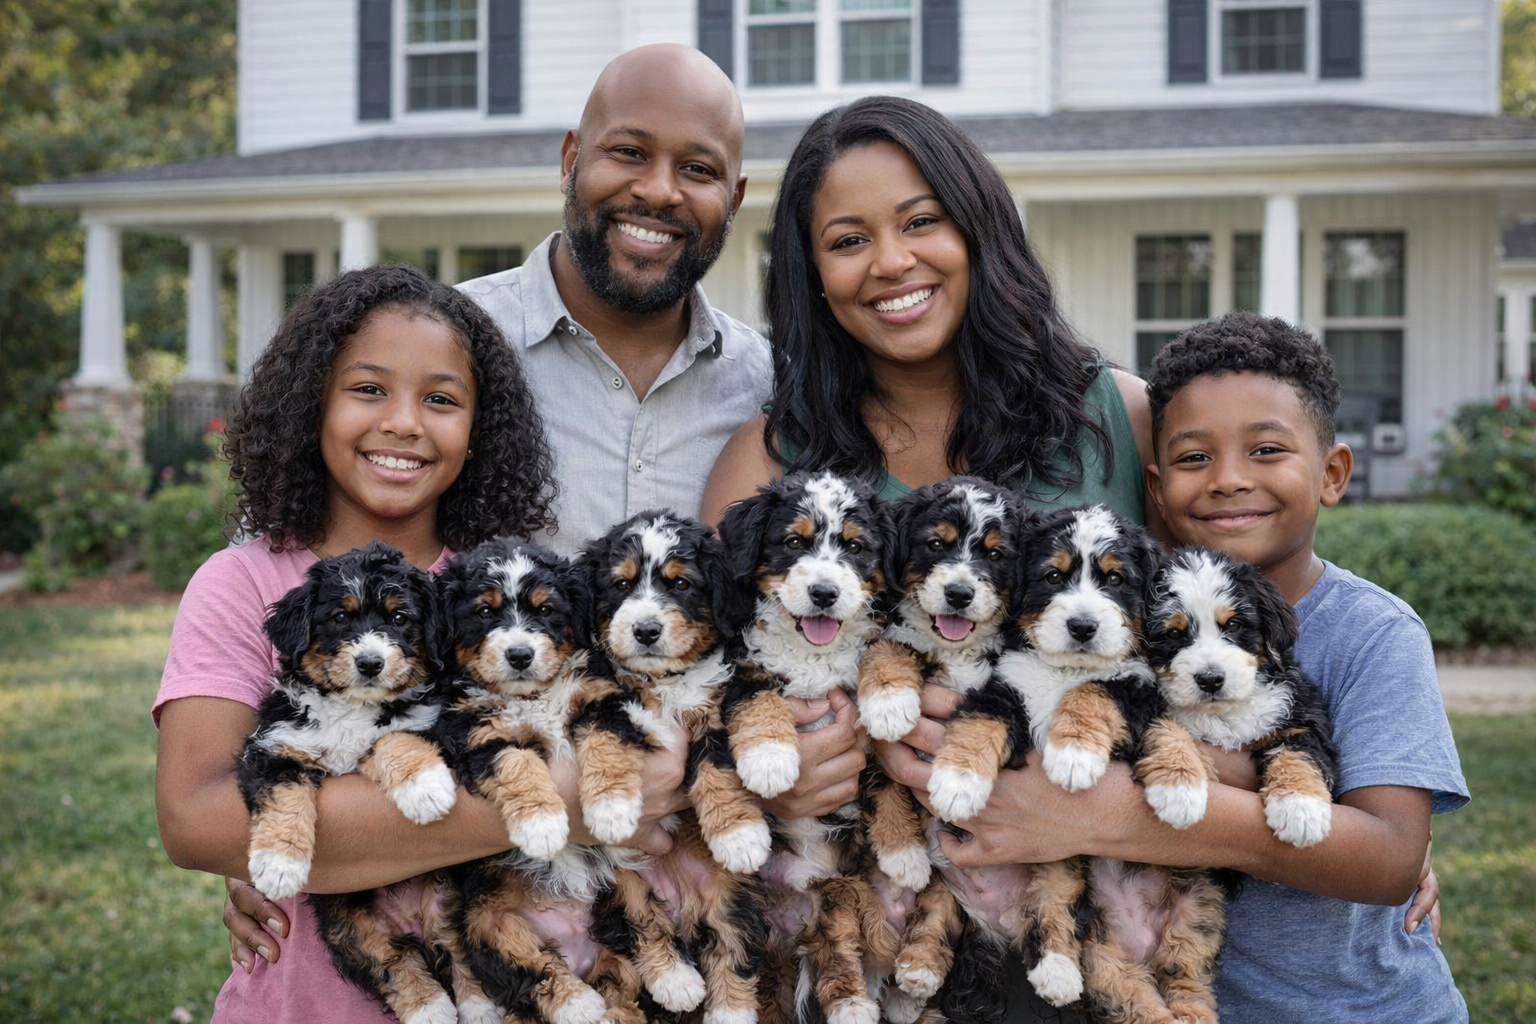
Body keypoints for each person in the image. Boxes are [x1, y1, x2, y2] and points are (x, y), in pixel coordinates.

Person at [699, 94, 1162, 1023]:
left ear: (978, 227)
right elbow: (706, 684)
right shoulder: (772, 457)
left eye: (921, 221)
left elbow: (1239, 651)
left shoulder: (1116, 416)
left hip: (1074, 935)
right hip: (862, 931)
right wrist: (803, 759)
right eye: (847, 238)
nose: (892, 262)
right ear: (812, 274)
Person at [879, 311, 1468, 1022]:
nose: (1227, 480)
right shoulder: (1129, 624)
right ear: (1154, 488)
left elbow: (1387, 860)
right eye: (1194, 458)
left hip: (1363, 1008)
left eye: (1267, 450)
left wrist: (1116, 818)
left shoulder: (1375, 632)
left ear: (1333, 473)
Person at [154, 265, 690, 1023]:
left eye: (441, 399)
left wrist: (331, 843)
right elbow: (197, 820)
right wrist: (549, 805)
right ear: (311, 403)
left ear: (480, 431)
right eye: (368, 389)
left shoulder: (505, 592)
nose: (404, 422)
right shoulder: (243, 582)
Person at [460, 42, 773, 554]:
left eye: (698, 169)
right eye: (629, 153)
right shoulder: (453, 341)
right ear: (570, 161)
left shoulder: (770, 388)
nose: (658, 191)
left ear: (733, 201)